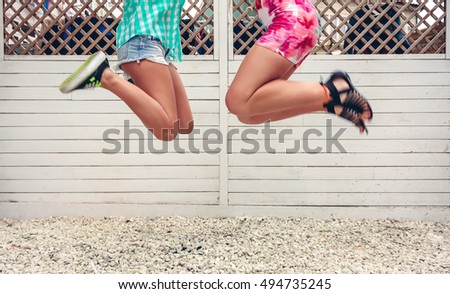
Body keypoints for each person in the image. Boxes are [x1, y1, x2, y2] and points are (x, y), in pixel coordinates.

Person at [226, 0, 373, 133]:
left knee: (237, 100)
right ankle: (327, 103)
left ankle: (335, 89)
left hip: (291, 20)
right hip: (298, 21)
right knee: (249, 115)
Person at [59, 0, 193, 141]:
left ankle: (131, 85)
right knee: (167, 132)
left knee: (185, 124)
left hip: (159, 46)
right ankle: (106, 77)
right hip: (143, 43)